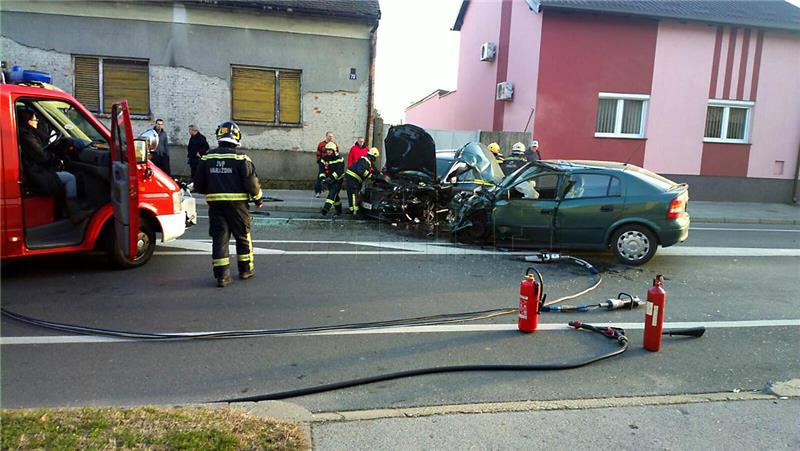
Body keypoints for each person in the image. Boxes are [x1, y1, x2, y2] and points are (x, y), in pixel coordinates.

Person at [193, 121, 262, 288]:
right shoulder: (241, 158)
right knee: (243, 236)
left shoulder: (207, 157)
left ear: (219, 136)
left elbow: (199, 184)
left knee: (219, 238)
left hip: (216, 206)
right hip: (238, 206)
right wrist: (258, 198)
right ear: (237, 137)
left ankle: (222, 276)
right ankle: (246, 270)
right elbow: (251, 183)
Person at [18, 109, 88, 224]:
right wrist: (55, 159)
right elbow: (41, 156)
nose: (37, 122)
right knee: (70, 178)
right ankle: (74, 212)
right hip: (35, 173)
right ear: (28, 121)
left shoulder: (25, 133)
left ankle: (62, 211)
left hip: (33, 169)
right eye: (35, 120)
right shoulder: (27, 136)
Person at [345, 147, 379, 217]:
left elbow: (374, 169)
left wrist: (379, 175)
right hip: (353, 178)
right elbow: (361, 171)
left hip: (351, 178)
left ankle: (352, 209)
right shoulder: (364, 161)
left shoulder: (366, 160)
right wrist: (371, 176)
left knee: (351, 194)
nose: (375, 160)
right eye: (375, 158)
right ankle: (355, 212)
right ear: (373, 157)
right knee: (354, 194)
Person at [319, 142, 345, 216]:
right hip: (328, 180)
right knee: (335, 196)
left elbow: (339, 171)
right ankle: (339, 210)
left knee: (332, 193)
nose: (328, 151)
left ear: (334, 150)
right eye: (327, 150)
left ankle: (325, 210)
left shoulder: (340, 159)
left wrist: (330, 178)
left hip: (338, 180)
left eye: (330, 150)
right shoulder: (323, 160)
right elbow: (321, 171)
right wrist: (323, 180)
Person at [315, 131, 335, 198]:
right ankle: (318, 191)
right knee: (320, 177)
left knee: (331, 177)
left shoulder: (334, 145)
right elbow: (318, 153)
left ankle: (331, 191)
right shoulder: (321, 144)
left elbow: (336, 154)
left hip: (331, 164)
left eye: (332, 136)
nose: (330, 137)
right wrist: (320, 162)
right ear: (326, 136)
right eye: (329, 136)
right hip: (323, 163)